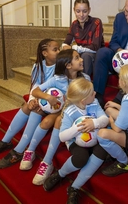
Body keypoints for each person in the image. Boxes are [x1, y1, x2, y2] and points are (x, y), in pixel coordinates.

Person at [0, 38, 59, 163]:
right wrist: (32, 100)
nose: (59, 51)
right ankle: (5, 141)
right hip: (41, 97)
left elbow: (57, 90)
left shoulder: (60, 67)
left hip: (52, 103)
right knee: (27, 107)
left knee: (35, 110)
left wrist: (40, 102)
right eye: (55, 49)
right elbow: (34, 86)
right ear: (44, 53)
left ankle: (19, 149)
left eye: (59, 49)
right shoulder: (38, 66)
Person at [25, 49, 92, 186]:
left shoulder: (85, 78)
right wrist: (48, 97)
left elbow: (90, 100)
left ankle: (47, 161)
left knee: (58, 120)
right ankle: (30, 151)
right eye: (77, 58)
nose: (81, 60)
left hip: (77, 113)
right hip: (61, 110)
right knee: (46, 121)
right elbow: (36, 91)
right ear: (68, 65)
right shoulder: (58, 79)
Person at [43, 78, 109, 204]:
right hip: (75, 141)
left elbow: (105, 119)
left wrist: (95, 123)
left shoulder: (94, 102)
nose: (95, 93)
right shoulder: (70, 111)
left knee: (102, 150)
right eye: (92, 92)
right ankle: (60, 174)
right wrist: (77, 128)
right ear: (83, 100)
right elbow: (62, 137)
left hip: (94, 139)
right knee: (81, 157)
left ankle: (74, 187)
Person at [62, 0, 105, 76]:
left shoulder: (96, 22)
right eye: (78, 11)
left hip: (95, 54)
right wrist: (64, 46)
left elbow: (95, 47)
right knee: (63, 55)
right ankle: (64, 82)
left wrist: (75, 48)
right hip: (80, 53)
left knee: (85, 56)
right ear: (74, 10)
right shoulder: (74, 24)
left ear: (89, 10)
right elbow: (66, 42)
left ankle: (83, 84)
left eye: (84, 11)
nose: (81, 15)